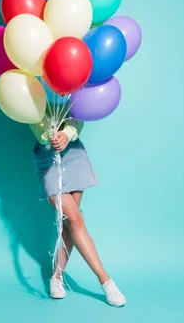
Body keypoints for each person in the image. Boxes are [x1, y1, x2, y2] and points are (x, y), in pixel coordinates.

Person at [29, 111, 126, 307]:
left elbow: (80, 113)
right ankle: (105, 280)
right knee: (74, 220)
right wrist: (51, 135)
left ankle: (56, 277)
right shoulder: (31, 86)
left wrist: (67, 133)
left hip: (74, 154)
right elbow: (33, 119)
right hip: (48, 157)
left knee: (69, 225)